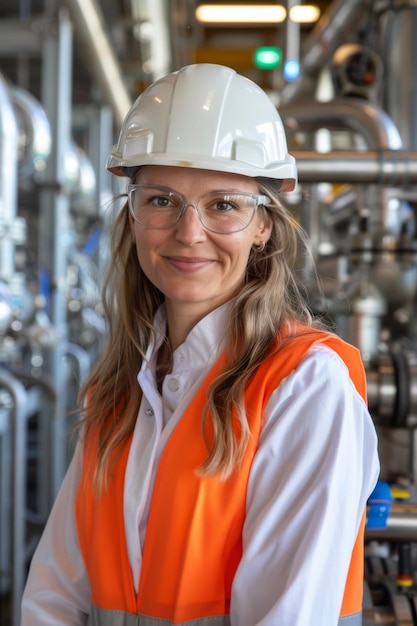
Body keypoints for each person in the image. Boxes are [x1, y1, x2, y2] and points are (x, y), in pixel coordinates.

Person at [21, 63, 380, 626]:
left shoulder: (304, 387)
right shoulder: (114, 392)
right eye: (162, 200)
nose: (189, 233)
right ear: (134, 215)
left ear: (264, 226)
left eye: (223, 205)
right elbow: (54, 594)